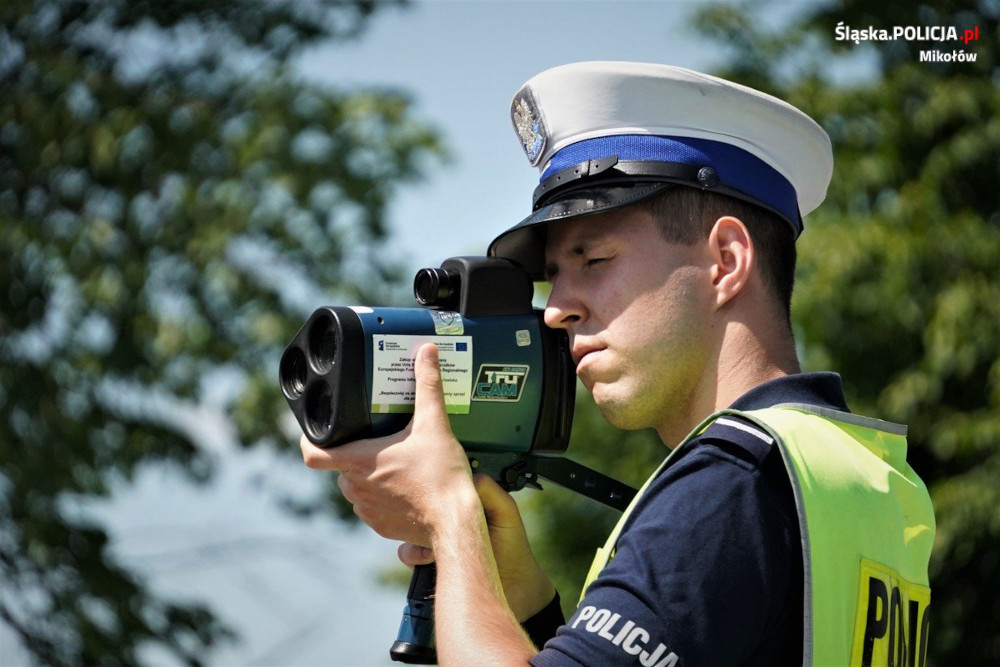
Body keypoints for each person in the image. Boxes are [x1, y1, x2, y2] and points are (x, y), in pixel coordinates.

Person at [300, 62, 935, 666]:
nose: (556, 310)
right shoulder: (855, 472)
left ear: (727, 261)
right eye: (552, 277)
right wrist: (529, 608)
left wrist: (450, 516)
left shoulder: (730, 484)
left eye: (594, 260)